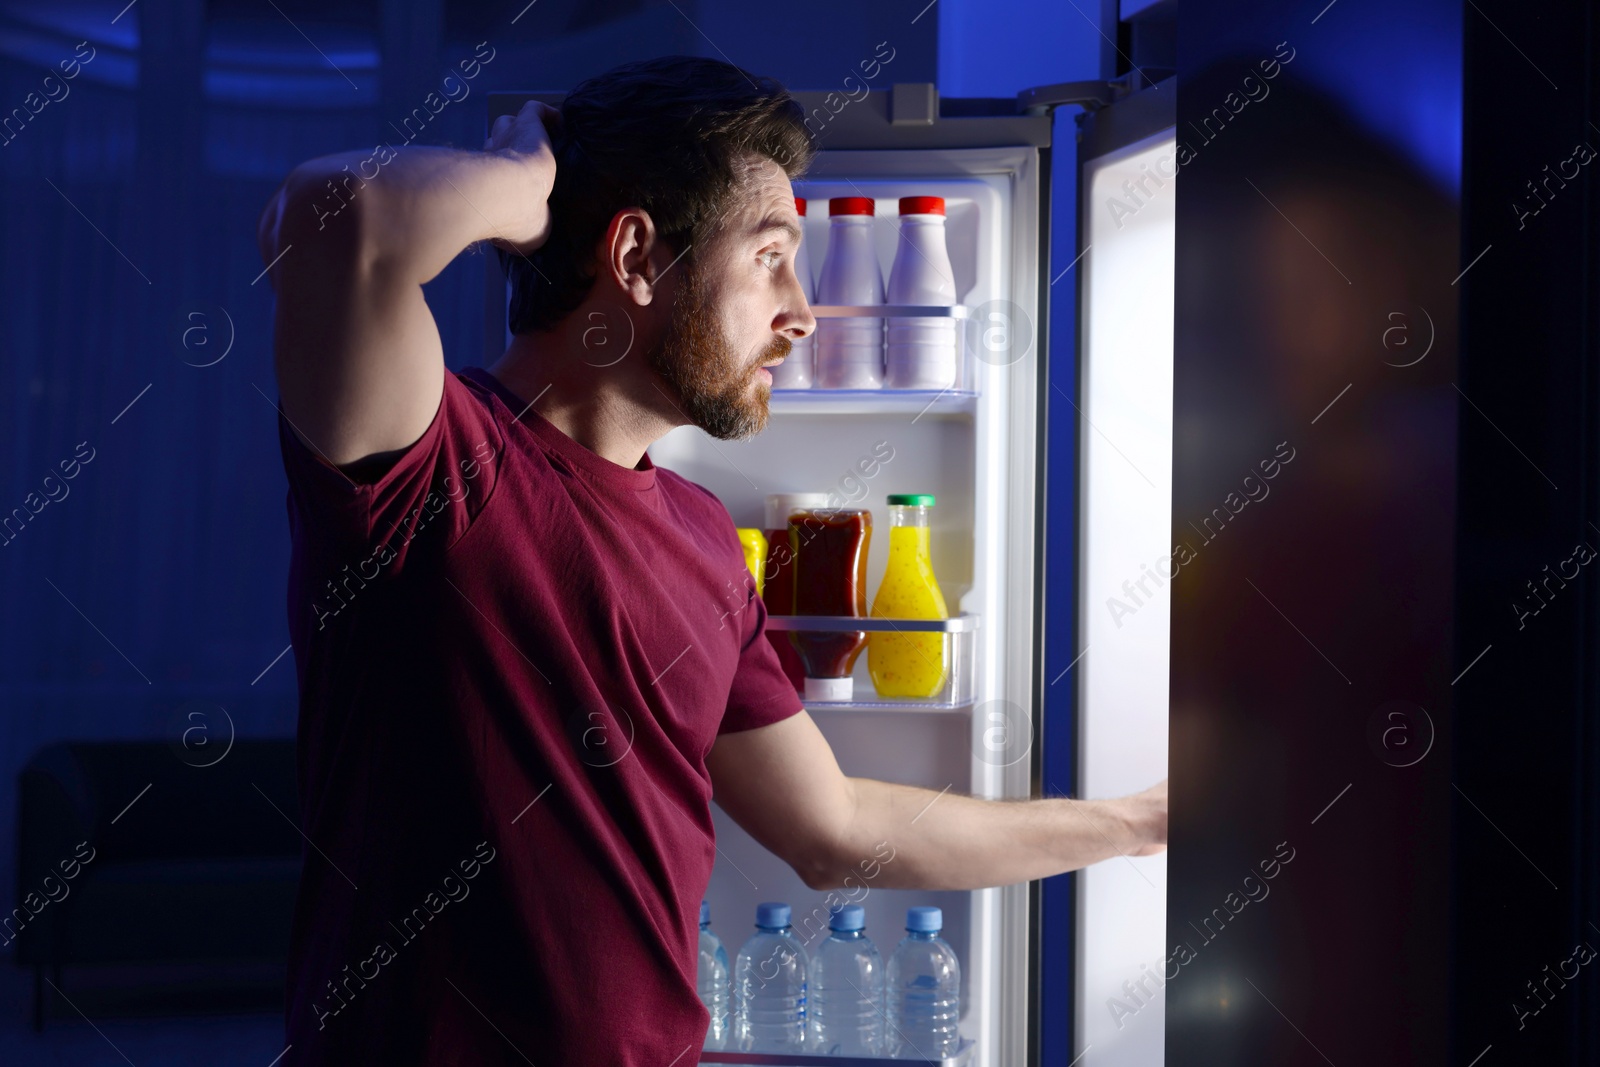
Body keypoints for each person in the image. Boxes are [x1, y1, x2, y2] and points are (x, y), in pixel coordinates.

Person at [256, 54, 1166, 1066]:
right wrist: (528, 178)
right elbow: (334, 219)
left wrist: (1133, 822)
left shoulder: (699, 536)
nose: (803, 312)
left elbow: (836, 824)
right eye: (771, 256)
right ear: (637, 256)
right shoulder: (433, 462)